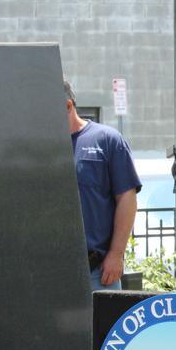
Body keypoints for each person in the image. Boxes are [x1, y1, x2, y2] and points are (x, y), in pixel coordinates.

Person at [65, 80, 140, 291]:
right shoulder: (39, 147)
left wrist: (116, 254)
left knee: (101, 325)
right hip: (50, 271)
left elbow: (127, 198)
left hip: (96, 271)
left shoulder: (107, 140)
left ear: (68, 106)